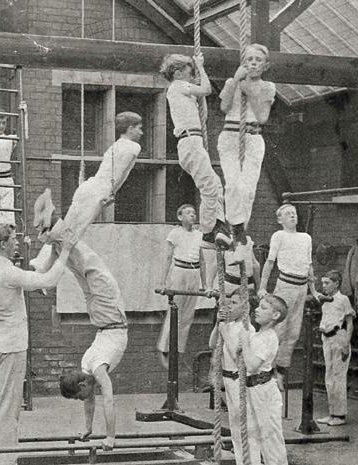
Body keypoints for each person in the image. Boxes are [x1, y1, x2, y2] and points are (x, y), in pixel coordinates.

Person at [31, 190, 126, 451]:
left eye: (79, 395)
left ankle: (52, 225)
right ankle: (50, 227)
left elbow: (108, 400)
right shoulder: (86, 368)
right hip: (106, 315)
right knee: (78, 260)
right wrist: (88, 428)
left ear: (83, 383)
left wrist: (109, 437)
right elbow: (91, 400)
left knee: (81, 260)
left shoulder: (95, 368)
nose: (83, 399)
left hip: (106, 312)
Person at [0, 223, 74, 465]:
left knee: (7, 407)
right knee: (9, 410)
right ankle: (4, 461)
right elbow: (48, 281)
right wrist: (65, 251)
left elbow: (31, 275)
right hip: (11, 346)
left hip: (1, 342)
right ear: (3, 244)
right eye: (13, 238)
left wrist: (49, 253)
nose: (16, 241)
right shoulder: (7, 272)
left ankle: (4, 459)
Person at [45, 112, 143, 244]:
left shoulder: (116, 145)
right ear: (130, 128)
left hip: (88, 187)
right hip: (98, 192)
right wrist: (110, 193)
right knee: (71, 237)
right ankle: (52, 240)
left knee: (67, 231)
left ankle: (47, 246)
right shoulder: (133, 147)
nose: (141, 133)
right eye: (139, 128)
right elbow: (120, 172)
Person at [217, 44, 276, 262]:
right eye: (249, 59)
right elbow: (224, 107)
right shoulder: (231, 82)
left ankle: (238, 235)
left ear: (265, 65)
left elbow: (262, 117)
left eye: (258, 60)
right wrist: (235, 80)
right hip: (230, 136)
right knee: (233, 185)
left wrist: (249, 89)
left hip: (253, 138)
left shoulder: (268, 87)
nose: (253, 63)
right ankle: (238, 235)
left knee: (248, 189)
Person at [160, 53, 226, 245]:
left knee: (215, 184)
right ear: (178, 73)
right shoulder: (177, 86)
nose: (191, 78)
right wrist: (201, 66)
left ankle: (218, 224)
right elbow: (207, 89)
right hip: (190, 142)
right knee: (209, 187)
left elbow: (202, 116)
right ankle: (207, 231)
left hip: (193, 141)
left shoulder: (182, 90)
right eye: (189, 74)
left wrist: (198, 95)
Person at [258, 204, 321, 389]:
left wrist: (313, 291)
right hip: (285, 286)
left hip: (302, 288)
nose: (293, 216)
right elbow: (269, 263)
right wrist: (262, 287)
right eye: (288, 214)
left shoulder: (306, 238)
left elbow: (309, 266)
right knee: (279, 330)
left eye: (294, 213)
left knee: (293, 333)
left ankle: (281, 372)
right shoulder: (279, 235)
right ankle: (268, 370)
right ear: (280, 219)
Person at [223, 294, 289, 465]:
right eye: (258, 306)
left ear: (275, 315)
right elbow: (238, 359)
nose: (257, 310)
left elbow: (252, 366)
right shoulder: (256, 335)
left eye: (263, 308)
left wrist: (244, 342)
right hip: (250, 390)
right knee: (249, 435)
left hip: (263, 391)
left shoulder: (270, 337)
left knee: (270, 438)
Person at [157, 204, 208, 368]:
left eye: (194, 212)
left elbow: (202, 261)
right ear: (180, 217)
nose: (192, 215)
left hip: (194, 273)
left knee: (187, 315)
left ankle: (177, 350)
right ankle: (165, 348)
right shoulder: (175, 233)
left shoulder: (199, 235)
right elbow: (167, 258)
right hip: (179, 272)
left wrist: (205, 284)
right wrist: (162, 282)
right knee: (175, 311)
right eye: (188, 212)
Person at [208, 292, 251, 465]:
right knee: (234, 426)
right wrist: (218, 324)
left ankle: (249, 459)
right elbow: (212, 344)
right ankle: (241, 460)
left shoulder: (246, 329)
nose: (229, 306)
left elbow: (237, 356)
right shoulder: (229, 325)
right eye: (229, 303)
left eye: (234, 303)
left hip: (239, 380)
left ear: (245, 308)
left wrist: (224, 331)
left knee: (243, 425)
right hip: (227, 379)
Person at [317, 270, 355, 426]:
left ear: (336, 283)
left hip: (339, 337)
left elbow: (350, 323)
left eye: (327, 283)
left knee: (338, 377)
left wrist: (346, 344)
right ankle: (332, 413)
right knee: (329, 377)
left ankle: (340, 416)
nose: (324, 286)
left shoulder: (343, 299)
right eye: (323, 283)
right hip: (327, 339)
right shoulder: (325, 300)